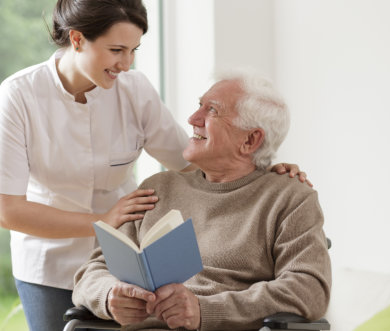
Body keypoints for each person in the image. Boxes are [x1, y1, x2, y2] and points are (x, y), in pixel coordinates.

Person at [0, 1, 307, 330]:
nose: (126, 64)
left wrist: (265, 171)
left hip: (124, 262)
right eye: (116, 49)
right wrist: (102, 221)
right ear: (77, 40)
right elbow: (8, 211)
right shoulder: (18, 96)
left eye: (134, 50)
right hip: (50, 261)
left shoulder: (135, 91)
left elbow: (193, 161)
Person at [72, 69, 332, 330]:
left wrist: (205, 310)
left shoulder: (290, 198)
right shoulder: (158, 188)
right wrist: (109, 295)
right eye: (200, 105)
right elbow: (92, 272)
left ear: (250, 140)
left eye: (212, 111)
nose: (193, 118)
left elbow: (308, 290)